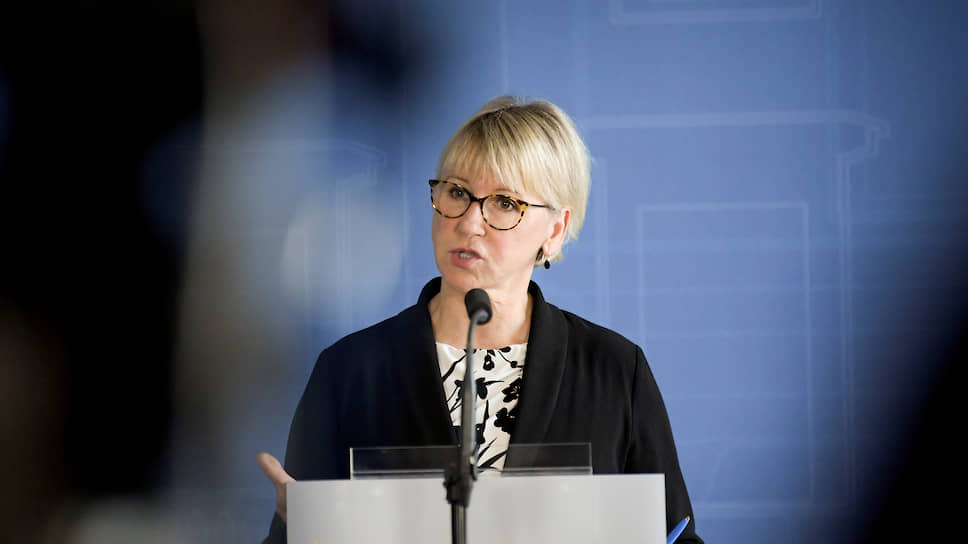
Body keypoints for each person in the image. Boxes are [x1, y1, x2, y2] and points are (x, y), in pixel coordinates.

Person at [258, 96, 703, 543]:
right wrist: (308, 530)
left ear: (554, 230)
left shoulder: (614, 370)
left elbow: (676, 535)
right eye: (456, 193)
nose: (470, 223)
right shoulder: (350, 370)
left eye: (504, 203)